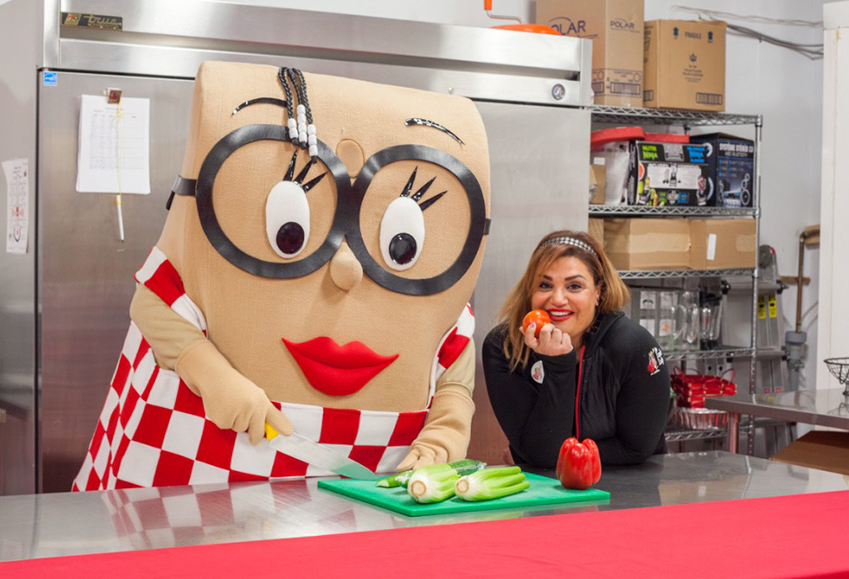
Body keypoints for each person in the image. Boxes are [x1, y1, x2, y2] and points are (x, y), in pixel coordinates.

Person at [72, 61, 492, 490]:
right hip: (196, 488)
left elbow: (450, 352)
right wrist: (207, 371)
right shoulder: (193, 253)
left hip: (369, 500)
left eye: (402, 246)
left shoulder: (439, 303)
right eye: (288, 235)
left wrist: (448, 428)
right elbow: (156, 298)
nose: (347, 270)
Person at [482, 230, 669, 468]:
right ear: (530, 290)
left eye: (574, 286)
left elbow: (635, 449)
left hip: (627, 488)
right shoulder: (504, 348)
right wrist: (558, 366)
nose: (558, 299)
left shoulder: (635, 347)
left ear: (598, 292)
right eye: (545, 284)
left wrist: (538, 456)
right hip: (544, 495)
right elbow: (542, 453)